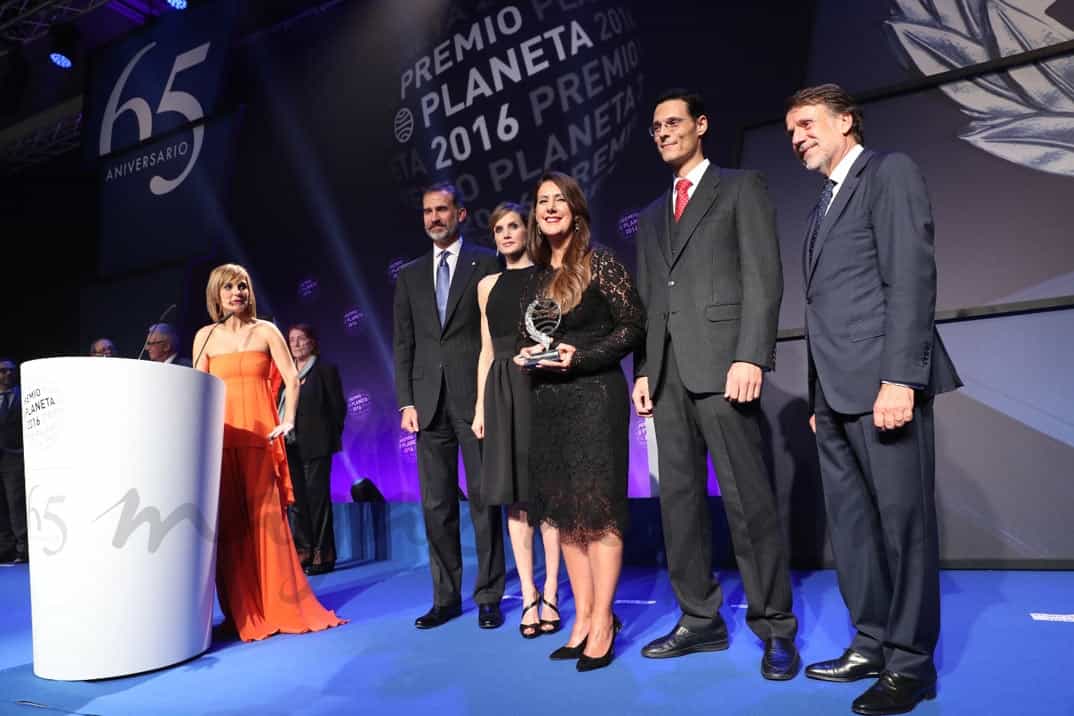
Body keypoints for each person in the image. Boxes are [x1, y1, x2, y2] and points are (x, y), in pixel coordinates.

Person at [785, 84, 961, 715]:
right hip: (832, 395)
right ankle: (872, 640)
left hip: (883, 386)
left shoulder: (889, 173)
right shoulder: (822, 204)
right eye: (791, 131)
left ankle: (912, 665)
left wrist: (900, 379)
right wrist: (816, 395)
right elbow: (826, 306)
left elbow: (912, 278)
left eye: (807, 124)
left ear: (846, 121)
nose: (798, 137)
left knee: (903, 527)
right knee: (855, 529)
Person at [632, 88, 799, 679]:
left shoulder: (740, 187)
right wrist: (645, 370)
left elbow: (763, 276)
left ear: (700, 125)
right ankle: (699, 621)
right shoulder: (651, 216)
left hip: (728, 370)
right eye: (656, 127)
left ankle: (775, 626)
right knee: (678, 506)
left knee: (748, 504)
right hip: (670, 375)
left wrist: (752, 354)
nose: (664, 132)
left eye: (674, 122)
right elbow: (650, 301)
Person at [514, 171, 644, 671]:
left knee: (598, 513)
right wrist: (533, 355)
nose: (550, 208)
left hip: (593, 397)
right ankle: (583, 617)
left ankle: (604, 619)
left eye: (558, 200)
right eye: (542, 201)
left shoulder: (601, 262)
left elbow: (633, 325)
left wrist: (581, 356)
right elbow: (538, 334)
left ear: (575, 209)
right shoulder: (534, 277)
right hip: (547, 402)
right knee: (567, 518)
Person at [193, 263, 345, 642]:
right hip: (222, 441)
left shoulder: (267, 331)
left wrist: (288, 419)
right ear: (216, 294)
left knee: (268, 526)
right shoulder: (205, 337)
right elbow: (196, 389)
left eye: (242, 285)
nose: (237, 292)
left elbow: (292, 378)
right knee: (230, 528)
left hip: (262, 439)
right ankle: (245, 611)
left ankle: (280, 604)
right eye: (229, 287)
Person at [393, 182, 506, 630]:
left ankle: (489, 595)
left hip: (474, 399)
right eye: (427, 211)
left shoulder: (487, 261)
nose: (434, 218)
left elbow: (495, 335)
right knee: (436, 505)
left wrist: (488, 397)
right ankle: (445, 598)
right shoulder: (409, 275)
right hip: (426, 404)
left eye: (442, 210)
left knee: (484, 498)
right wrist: (405, 401)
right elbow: (404, 344)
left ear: (461, 213)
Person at [473, 202, 562, 639]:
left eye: (513, 226)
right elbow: (487, 351)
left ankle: (551, 593)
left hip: (539, 386)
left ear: (527, 230)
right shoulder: (486, 285)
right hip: (500, 390)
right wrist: (477, 409)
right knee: (514, 497)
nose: (506, 234)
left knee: (546, 493)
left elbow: (557, 336)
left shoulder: (548, 276)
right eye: (498, 229)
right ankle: (527, 594)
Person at [281, 323, 345, 575]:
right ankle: (304, 549)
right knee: (296, 502)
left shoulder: (324, 370)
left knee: (318, 501)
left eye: (301, 339)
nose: (295, 344)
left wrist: (329, 438)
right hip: (290, 445)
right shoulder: (285, 373)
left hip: (316, 445)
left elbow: (338, 408)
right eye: (291, 339)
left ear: (312, 342)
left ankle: (323, 553)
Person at [0, 359, 25, 565]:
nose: (7, 374)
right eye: (2, 371)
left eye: (10, 371)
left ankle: (22, 548)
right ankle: (4, 548)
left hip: (14, 457)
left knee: (15, 503)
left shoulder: (23, 395)